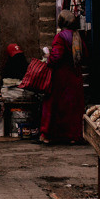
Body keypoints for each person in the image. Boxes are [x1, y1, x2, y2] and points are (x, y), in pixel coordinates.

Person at [38, 9, 85, 144]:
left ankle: (47, 135)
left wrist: (48, 57)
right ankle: (72, 136)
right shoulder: (77, 36)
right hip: (75, 77)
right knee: (73, 107)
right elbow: (85, 55)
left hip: (61, 77)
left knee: (53, 105)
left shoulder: (61, 37)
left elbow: (56, 57)